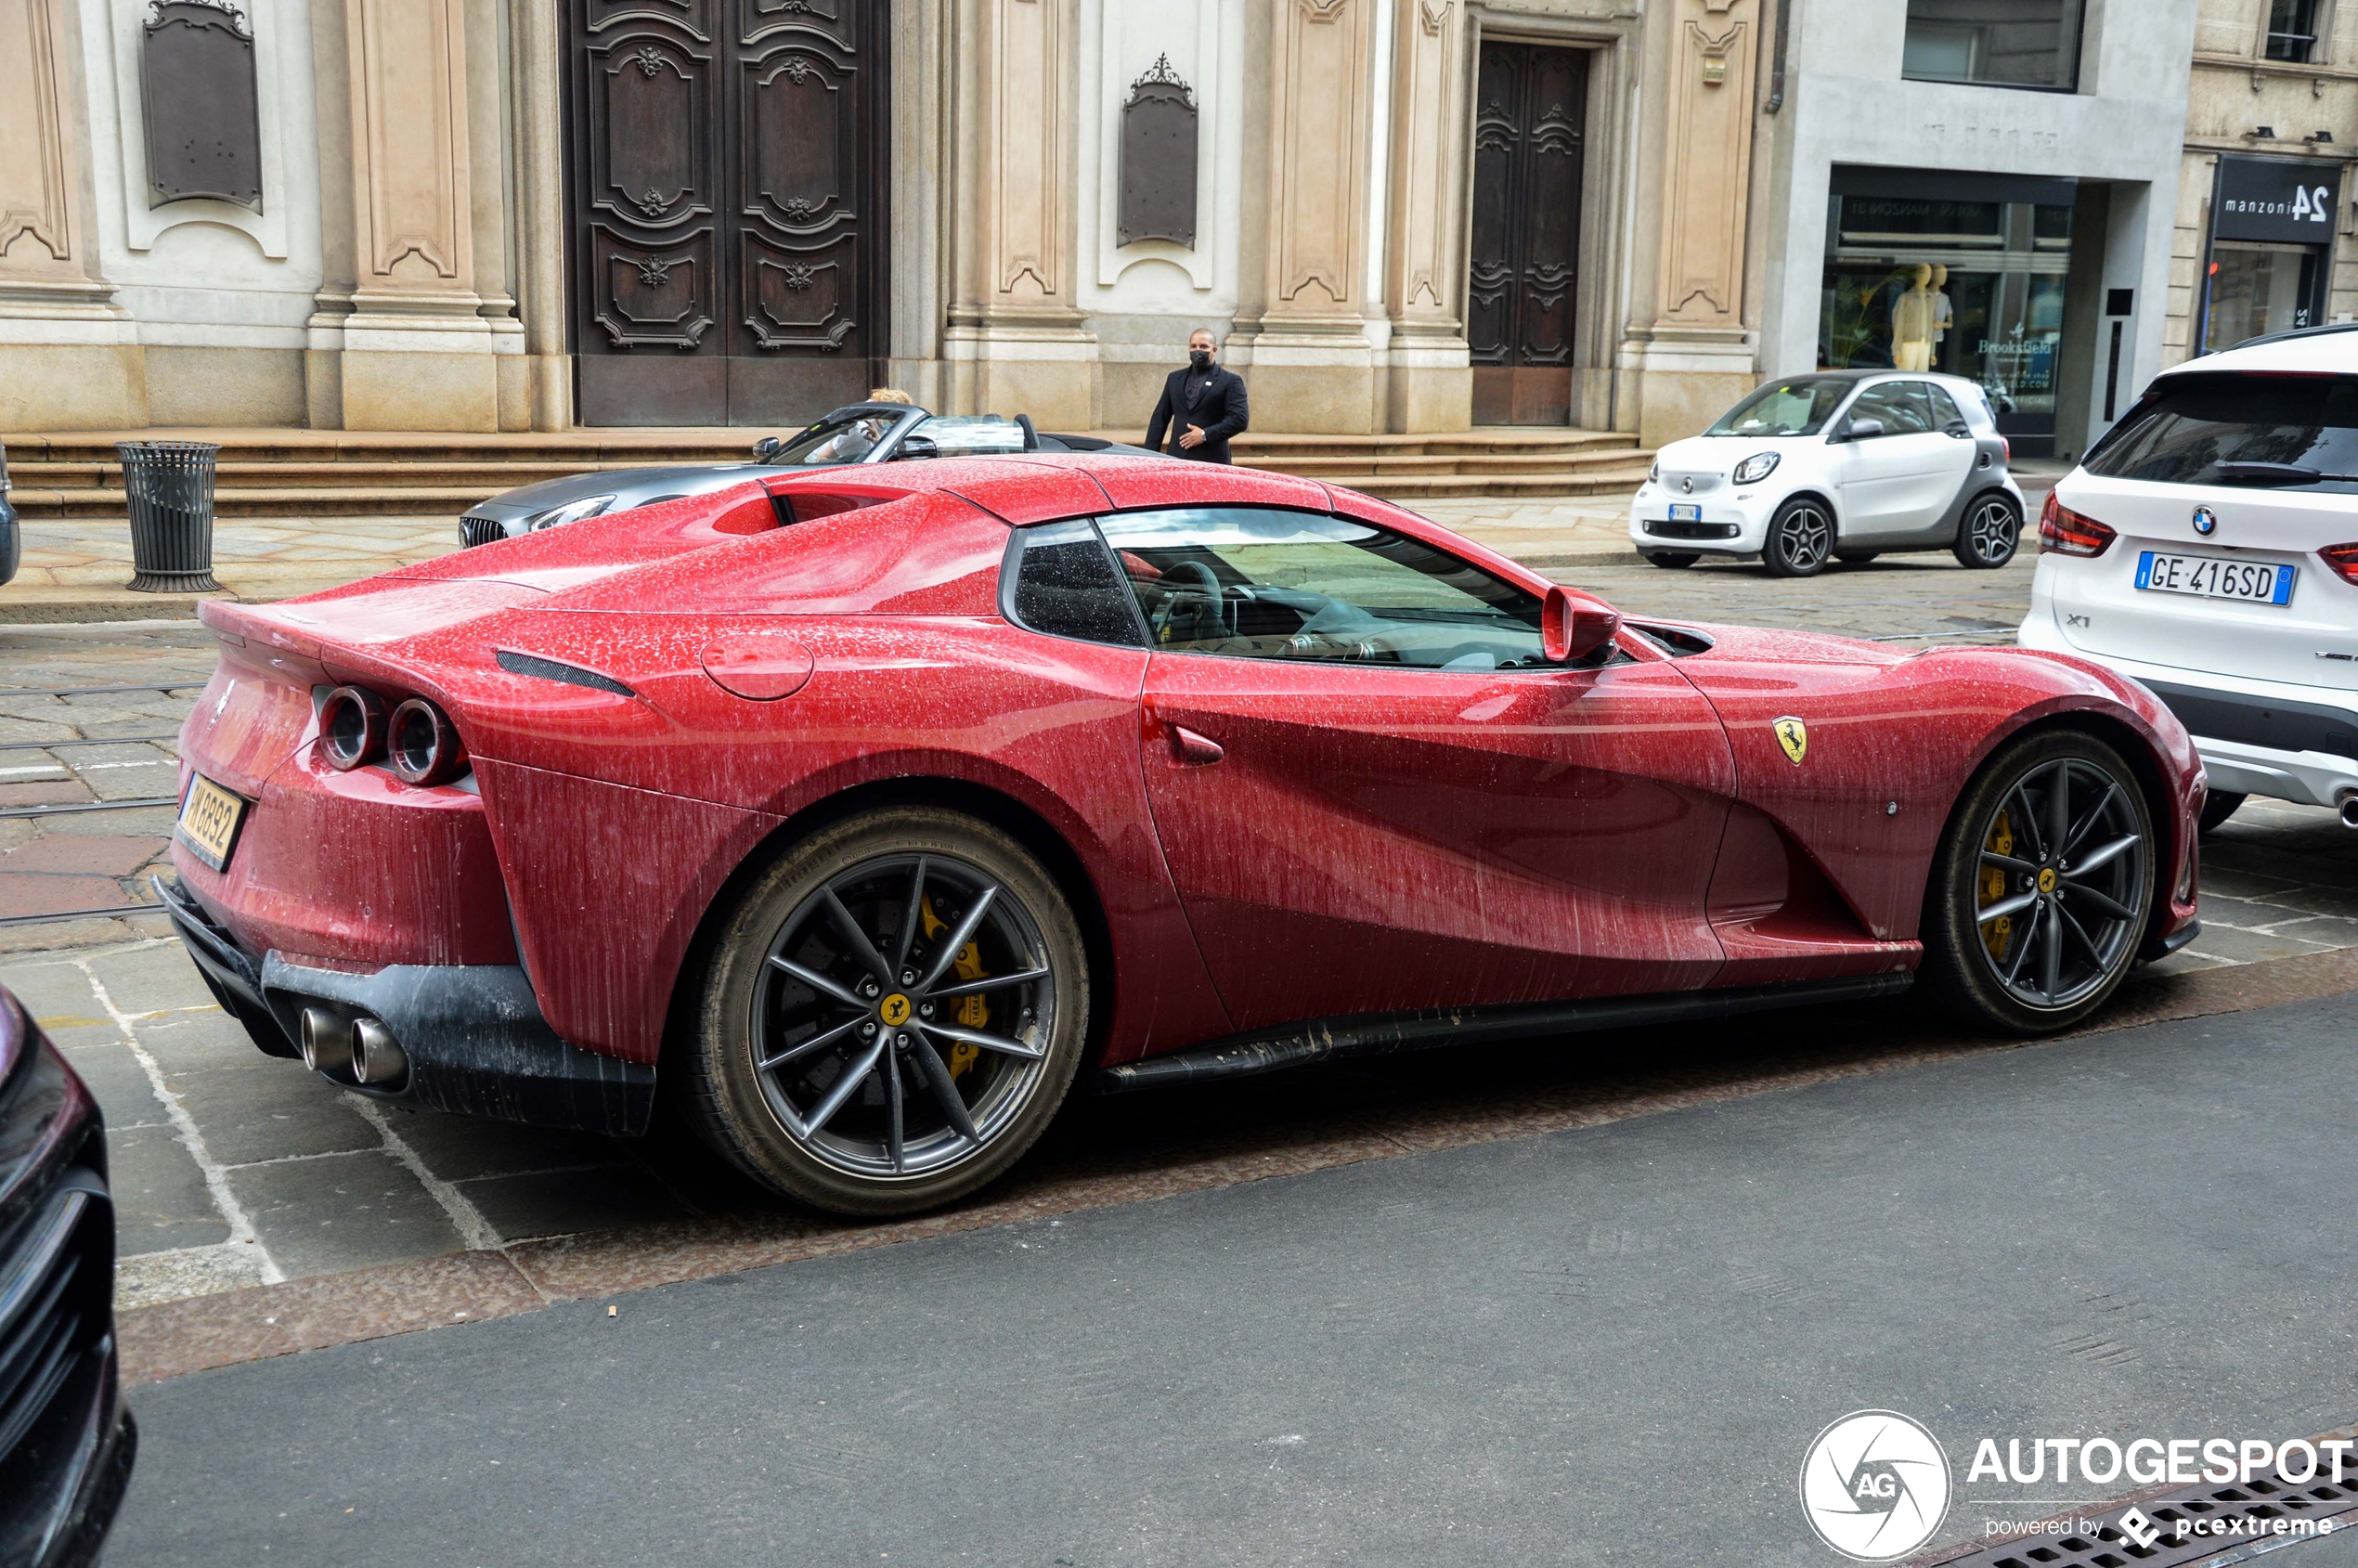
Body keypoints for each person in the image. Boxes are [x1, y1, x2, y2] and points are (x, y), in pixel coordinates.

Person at [1145, 329, 1249, 463]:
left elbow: (1239, 419)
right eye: (1193, 346)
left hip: (1212, 461)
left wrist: (1205, 435)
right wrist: (1148, 456)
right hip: (1177, 458)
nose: (1197, 350)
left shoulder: (1230, 381)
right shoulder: (1175, 378)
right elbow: (1160, 418)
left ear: (1215, 350)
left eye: (1204, 346)